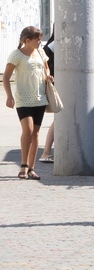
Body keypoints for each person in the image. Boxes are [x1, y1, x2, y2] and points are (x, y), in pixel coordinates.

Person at [3, 26, 50, 180]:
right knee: (28, 130)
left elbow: (46, 69)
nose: (39, 42)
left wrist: (48, 76)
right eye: (37, 39)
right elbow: (6, 77)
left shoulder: (41, 52)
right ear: (27, 40)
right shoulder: (16, 55)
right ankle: (23, 165)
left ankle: (31, 168)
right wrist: (9, 96)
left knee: (36, 133)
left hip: (40, 98)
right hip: (23, 98)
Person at [39, 27, 55, 163]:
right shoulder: (56, 44)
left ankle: (47, 152)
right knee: (61, 118)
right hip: (57, 85)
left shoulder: (51, 44)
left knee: (60, 119)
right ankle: (46, 152)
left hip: (56, 84)